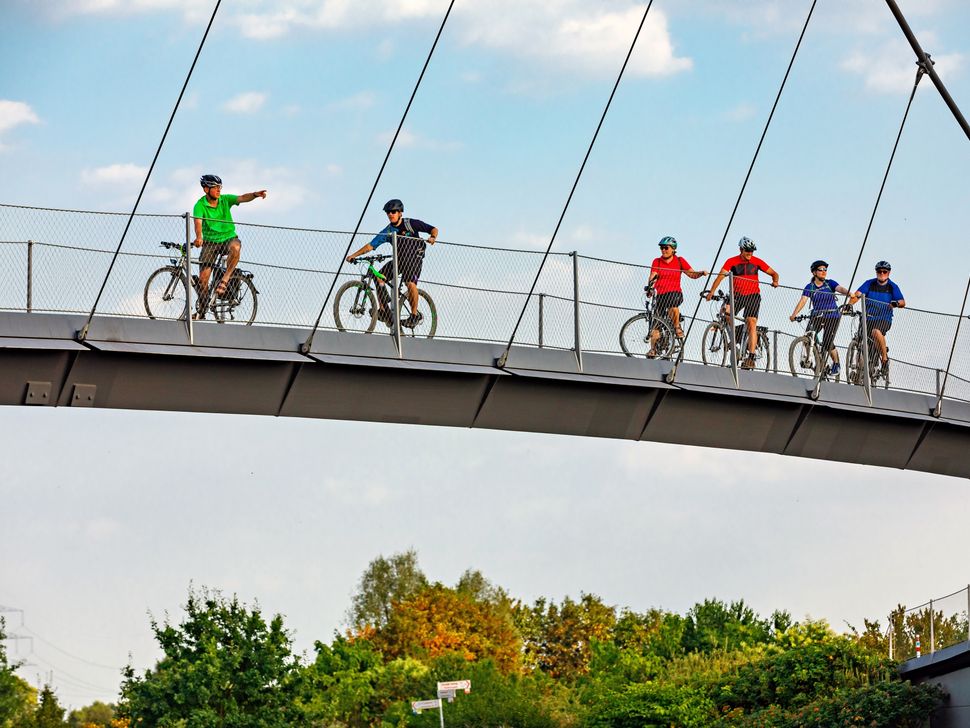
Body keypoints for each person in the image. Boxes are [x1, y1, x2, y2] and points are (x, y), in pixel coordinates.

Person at [346, 199, 438, 328]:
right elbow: (371, 246)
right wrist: (353, 256)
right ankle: (383, 310)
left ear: (400, 212)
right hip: (399, 261)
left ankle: (414, 315)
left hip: (414, 258)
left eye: (393, 211)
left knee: (409, 283)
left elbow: (433, 229)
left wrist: (433, 237)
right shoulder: (388, 230)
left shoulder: (411, 223)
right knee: (378, 276)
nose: (390, 214)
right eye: (388, 212)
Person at [192, 174, 267, 319]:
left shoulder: (225, 200)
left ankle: (225, 279)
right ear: (206, 189)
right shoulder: (200, 205)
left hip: (228, 238)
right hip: (210, 243)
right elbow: (198, 223)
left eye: (220, 187)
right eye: (215, 187)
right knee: (202, 281)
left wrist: (255, 195)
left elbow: (242, 198)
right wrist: (199, 237)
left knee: (236, 247)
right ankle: (201, 312)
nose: (219, 190)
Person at [706, 237, 779, 369]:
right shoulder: (732, 261)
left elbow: (774, 273)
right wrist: (711, 291)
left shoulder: (757, 262)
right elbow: (720, 276)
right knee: (725, 314)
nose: (750, 253)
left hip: (753, 296)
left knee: (751, 322)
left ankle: (750, 357)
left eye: (751, 251)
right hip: (736, 295)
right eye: (747, 251)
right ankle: (737, 336)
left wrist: (775, 281)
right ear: (741, 249)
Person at [646, 235, 707, 357]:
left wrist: (700, 273)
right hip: (660, 295)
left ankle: (677, 326)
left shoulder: (679, 260)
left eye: (666, 248)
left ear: (673, 249)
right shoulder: (657, 261)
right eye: (661, 248)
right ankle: (653, 349)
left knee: (673, 305)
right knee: (655, 324)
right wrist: (650, 288)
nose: (663, 250)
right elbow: (653, 275)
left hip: (674, 293)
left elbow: (691, 274)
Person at [789, 260, 850, 376]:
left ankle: (836, 364)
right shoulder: (810, 286)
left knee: (827, 341)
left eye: (825, 270)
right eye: (820, 270)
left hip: (832, 316)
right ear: (814, 272)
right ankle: (811, 358)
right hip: (817, 315)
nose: (823, 272)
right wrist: (794, 314)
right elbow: (803, 300)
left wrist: (848, 293)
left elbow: (840, 289)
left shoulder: (829, 283)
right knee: (808, 336)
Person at [850, 261, 905, 377]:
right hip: (867, 318)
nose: (882, 273)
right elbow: (857, 295)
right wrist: (849, 305)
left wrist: (895, 303)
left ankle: (884, 360)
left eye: (884, 271)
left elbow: (902, 302)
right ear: (876, 272)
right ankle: (860, 371)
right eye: (879, 271)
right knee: (861, 340)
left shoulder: (892, 287)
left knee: (875, 332)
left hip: (883, 318)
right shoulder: (869, 283)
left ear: (888, 273)